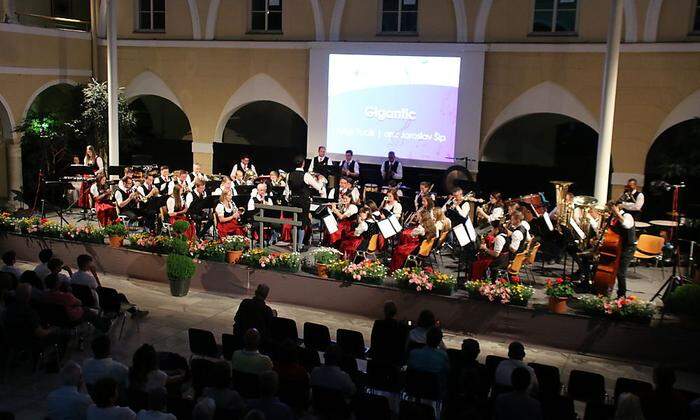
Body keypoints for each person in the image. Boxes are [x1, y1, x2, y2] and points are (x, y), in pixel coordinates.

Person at [42, 273, 110, 332]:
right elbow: (79, 302)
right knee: (89, 312)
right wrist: (70, 293)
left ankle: (102, 321)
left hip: (55, 318)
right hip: (72, 318)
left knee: (89, 311)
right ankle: (104, 327)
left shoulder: (45, 295)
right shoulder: (66, 296)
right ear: (57, 284)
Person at [286, 155, 325, 250]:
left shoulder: (289, 175)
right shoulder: (306, 175)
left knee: (295, 221)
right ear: (303, 164)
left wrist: (289, 200)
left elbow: (287, 190)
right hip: (303, 201)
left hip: (293, 200)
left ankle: (295, 244)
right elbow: (318, 187)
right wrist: (321, 181)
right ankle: (299, 245)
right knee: (302, 222)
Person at [407, 327, 450, 394]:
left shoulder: (413, 353)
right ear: (439, 341)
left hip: (412, 390)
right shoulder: (443, 356)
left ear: (426, 337)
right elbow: (446, 373)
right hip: (433, 393)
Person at [609, 200, 636, 298]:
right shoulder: (613, 218)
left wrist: (616, 213)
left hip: (628, 248)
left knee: (621, 273)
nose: (610, 211)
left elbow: (626, 225)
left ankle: (621, 295)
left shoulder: (627, 216)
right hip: (617, 247)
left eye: (611, 209)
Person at [369, 301, 408, 365]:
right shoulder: (402, 327)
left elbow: (373, 342)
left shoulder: (378, 324)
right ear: (395, 311)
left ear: (384, 311)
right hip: (394, 361)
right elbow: (402, 346)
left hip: (378, 358)